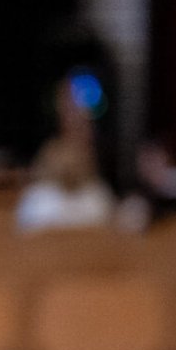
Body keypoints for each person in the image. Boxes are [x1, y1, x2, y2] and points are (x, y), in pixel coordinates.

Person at [15, 75, 115, 232]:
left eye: (75, 104)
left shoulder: (93, 143)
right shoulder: (48, 145)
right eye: (66, 102)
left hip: (85, 203)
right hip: (52, 203)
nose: (72, 111)